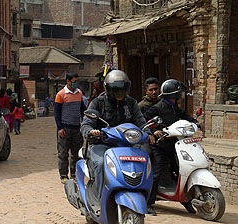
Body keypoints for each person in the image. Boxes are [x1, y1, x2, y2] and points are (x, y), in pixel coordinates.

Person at [81, 70, 155, 199]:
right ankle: (100, 198)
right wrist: (91, 132)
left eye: (123, 89)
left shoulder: (131, 103)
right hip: (102, 144)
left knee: (145, 158)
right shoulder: (98, 102)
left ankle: (146, 197)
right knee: (100, 164)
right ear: (108, 88)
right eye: (116, 89)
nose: (119, 93)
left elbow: (140, 121)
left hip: (126, 145)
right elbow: (86, 124)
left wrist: (148, 133)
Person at [144, 79, 198, 216]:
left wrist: (195, 122)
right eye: (178, 92)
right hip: (159, 145)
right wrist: (154, 130)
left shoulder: (174, 106)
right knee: (156, 173)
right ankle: (148, 203)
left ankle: (185, 199)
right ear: (172, 94)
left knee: (181, 169)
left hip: (174, 144)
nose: (180, 94)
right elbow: (145, 120)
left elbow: (183, 114)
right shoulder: (158, 107)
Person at [54, 72, 87, 184]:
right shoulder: (61, 95)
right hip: (64, 128)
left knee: (76, 154)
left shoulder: (79, 93)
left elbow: (83, 110)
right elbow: (57, 113)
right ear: (68, 81)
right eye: (74, 82)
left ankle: (74, 174)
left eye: (77, 81)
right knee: (63, 153)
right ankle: (63, 175)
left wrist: (85, 122)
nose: (76, 84)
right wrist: (60, 128)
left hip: (77, 128)